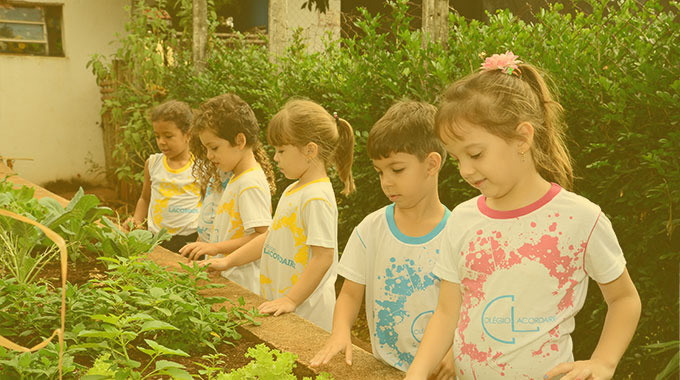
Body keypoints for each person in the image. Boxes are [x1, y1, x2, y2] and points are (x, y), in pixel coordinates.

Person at [405, 52, 641, 380]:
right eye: (457, 158)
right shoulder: (462, 219)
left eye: (475, 154)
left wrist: (603, 362)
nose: (465, 170)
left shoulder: (580, 220)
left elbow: (624, 299)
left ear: (522, 138)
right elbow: (446, 312)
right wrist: (415, 374)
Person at [310, 100, 455, 378]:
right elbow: (350, 293)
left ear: (432, 164)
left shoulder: (458, 234)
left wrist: (454, 352)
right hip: (384, 369)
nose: (386, 181)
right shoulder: (371, 229)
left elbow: (467, 308)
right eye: (380, 172)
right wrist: (341, 332)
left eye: (397, 169)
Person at [200, 99, 355, 332]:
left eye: (281, 150)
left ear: (310, 150)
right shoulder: (294, 189)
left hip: (307, 315)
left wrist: (291, 299)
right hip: (283, 307)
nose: (275, 158)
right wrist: (227, 261)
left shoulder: (317, 198)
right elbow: (269, 237)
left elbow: (323, 258)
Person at [179, 94, 275, 294]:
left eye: (214, 147)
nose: (209, 155)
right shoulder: (236, 177)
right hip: (229, 278)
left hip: (244, 284)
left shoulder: (250, 183)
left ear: (240, 140)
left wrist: (215, 248)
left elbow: (263, 236)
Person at [126, 100, 201, 253]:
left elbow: (209, 204)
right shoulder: (152, 163)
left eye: (168, 136)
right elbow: (145, 198)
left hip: (190, 240)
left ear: (187, 135)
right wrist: (137, 221)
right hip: (157, 238)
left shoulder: (200, 167)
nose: (161, 142)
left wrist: (205, 237)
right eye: (157, 136)